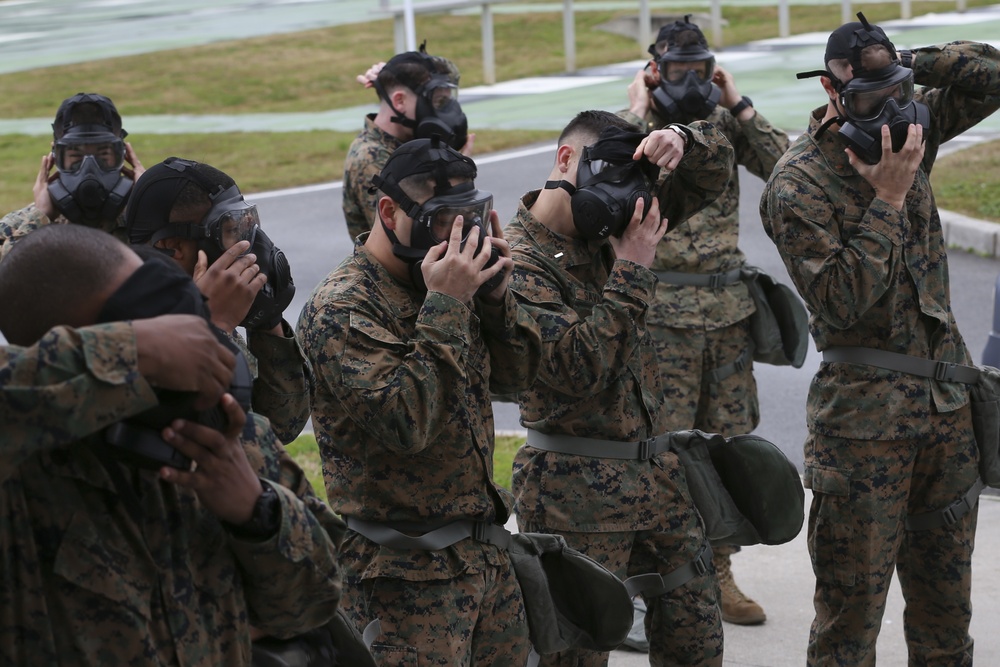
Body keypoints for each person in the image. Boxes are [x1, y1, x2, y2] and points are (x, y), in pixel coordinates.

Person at [759, 15, 1000, 665]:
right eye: (872, 100)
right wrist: (887, 201)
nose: (891, 113)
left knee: (947, 622)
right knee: (848, 623)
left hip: (946, 422)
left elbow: (995, 77)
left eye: (898, 92)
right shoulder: (798, 182)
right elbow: (839, 299)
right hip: (863, 431)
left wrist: (915, 61)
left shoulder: (913, 129)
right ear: (834, 93)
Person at [0, 223, 344, 666]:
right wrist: (132, 353)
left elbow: (315, 604)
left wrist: (256, 513)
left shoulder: (223, 433)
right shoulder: (25, 476)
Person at [298, 137, 542, 665]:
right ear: (390, 212)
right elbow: (406, 423)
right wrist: (448, 305)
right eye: (442, 221)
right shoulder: (342, 306)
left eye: (470, 218)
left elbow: (521, 380)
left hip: (483, 559)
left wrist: (498, 300)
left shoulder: (450, 282)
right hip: (403, 578)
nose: (460, 237)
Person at [506, 109, 734, 667]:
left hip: (658, 480)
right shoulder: (515, 260)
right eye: (610, 175)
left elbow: (715, 172)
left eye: (634, 180)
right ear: (566, 160)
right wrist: (632, 271)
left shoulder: (619, 227)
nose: (625, 196)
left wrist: (680, 138)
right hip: (573, 496)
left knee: (697, 643)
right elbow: (574, 370)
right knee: (578, 654)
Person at [618, 15, 790, 628]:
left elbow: (787, 170)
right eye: (674, 70)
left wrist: (738, 104)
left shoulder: (719, 125)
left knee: (726, 448)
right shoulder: (639, 130)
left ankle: (719, 571)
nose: (688, 81)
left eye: (700, 70)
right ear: (653, 69)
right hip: (661, 320)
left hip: (727, 316)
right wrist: (638, 112)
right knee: (661, 452)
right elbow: (607, 178)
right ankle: (656, 575)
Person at [125, 157, 312, 444]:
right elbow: (238, 440)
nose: (251, 245)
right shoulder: (137, 334)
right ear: (174, 247)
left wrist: (267, 320)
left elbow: (281, 426)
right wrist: (215, 327)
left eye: (249, 226)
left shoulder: (208, 300)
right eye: (232, 232)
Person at [342, 44, 473, 241]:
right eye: (438, 102)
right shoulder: (372, 159)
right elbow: (418, 238)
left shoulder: (411, 147)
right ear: (400, 102)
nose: (447, 113)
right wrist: (458, 177)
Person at [0, 92, 144, 259]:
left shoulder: (147, 219)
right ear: (54, 158)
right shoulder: (17, 225)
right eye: (75, 156)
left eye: (103, 155)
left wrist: (147, 200)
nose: (89, 168)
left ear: (124, 156)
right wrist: (40, 218)